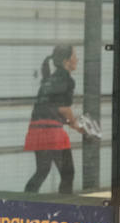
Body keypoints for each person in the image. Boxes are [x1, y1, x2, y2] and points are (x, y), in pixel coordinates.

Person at [23, 45, 88, 194]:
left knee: (42, 171)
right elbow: (63, 108)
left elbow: (50, 107)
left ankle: (25, 202)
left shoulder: (48, 79)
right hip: (52, 133)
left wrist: (71, 123)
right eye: (74, 56)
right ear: (66, 61)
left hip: (35, 131)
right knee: (68, 174)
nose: (77, 59)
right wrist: (76, 125)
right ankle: (64, 208)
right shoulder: (67, 79)